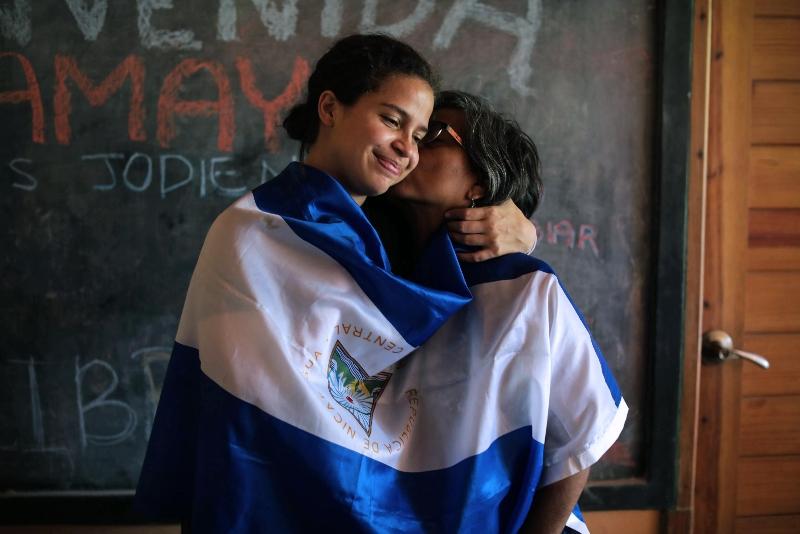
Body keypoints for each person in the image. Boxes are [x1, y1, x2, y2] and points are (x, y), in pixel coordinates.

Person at [134, 35, 534, 532]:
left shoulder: (389, 239)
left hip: (354, 495)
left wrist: (524, 231)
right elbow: (248, 409)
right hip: (264, 502)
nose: (406, 149)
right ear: (330, 107)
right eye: (391, 120)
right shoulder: (254, 232)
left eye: (421, 134)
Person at [366, 91, 628, 534]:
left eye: (433, 136)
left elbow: (581, 437)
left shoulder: (521, 287)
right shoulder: (367, 265)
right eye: (402, 129)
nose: (409, 147)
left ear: (480, 186)